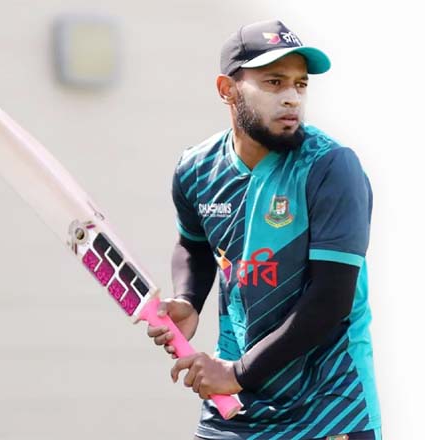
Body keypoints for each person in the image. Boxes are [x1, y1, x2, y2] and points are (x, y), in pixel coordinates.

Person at [147, 19, 381, 440]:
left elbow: (330, 300)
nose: (292, 98)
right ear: (227, 90)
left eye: (300, 84)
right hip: (234, 412)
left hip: (329, 412)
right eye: (274, 82)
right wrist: (188, 300)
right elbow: (194, 245)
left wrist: (237, 373)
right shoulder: (195, 169)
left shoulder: (331, 167)